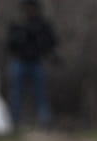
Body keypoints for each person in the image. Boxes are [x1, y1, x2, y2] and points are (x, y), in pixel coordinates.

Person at [4, 0, 58, 132]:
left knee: (41, 95)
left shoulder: (42, 25)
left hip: (36, 62)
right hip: (19, 62)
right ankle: (14, 123)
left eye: (32, 8)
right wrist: (20, 38)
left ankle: (44, 123)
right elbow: (9, 45)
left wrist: (43, 46)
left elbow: (51, 42)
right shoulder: (17, 24)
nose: (30, 11)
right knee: (16, 94)